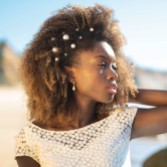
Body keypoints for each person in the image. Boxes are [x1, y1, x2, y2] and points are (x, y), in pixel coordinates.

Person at [14, 4, 167, 167]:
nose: (113, 74)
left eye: (114, 66)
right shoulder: (31, 139)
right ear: (70, 73)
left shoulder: (121, 122)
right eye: (102, 64)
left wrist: (126, 93)